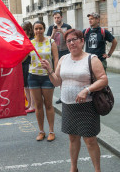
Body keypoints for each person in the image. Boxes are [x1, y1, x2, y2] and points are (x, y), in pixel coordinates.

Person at [41, 29, 108, 172]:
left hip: (87, 105)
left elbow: (103, 80)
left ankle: (97, 170)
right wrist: (49, 70)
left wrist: (87, 90)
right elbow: (57, 82)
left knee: (90, 140)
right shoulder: (63, 59)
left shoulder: (92, 58)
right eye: (68, 41)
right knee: (72, 138)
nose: (71, 43)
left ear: (82, 41)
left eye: (75, 39)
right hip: (68, 105)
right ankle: (73, 168)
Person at [28, 21, 58, 141]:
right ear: (33, 31)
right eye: (36, 29)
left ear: (44, 29)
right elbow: (23, 58)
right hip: (33, 77)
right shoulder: (30, 44)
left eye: (40, 28)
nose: (38, 31)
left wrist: (55, 73)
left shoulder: (51, 42)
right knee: (38, 105)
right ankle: (41, 131)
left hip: (47, 77)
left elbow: (56, 59)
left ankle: (51, 131)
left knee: (48, 104)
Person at [47, 10, 72, 104]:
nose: (57, 19)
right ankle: (61, 96)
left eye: (58, 17)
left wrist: (62, 32)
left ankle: (65, 95)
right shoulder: (51, 27)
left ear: (61, 17)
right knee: (58, 75)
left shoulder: (67, 26)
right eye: (55, 18)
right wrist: (53, 32)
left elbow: (70, 38)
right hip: (55, 53)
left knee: (65, 74)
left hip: (65, 52)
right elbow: (49, 41)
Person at [21, 21, 35, 113]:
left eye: (24, 30)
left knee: (30, 86)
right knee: (25, 85)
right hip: (23, 63)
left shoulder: (32, 40)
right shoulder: (23, 39)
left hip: (29, 63)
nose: (22, 31)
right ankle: (29, 104)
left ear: (28, 30)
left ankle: (33, 105)